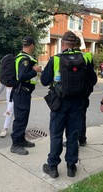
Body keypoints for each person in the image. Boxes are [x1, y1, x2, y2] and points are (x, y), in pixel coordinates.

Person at [41, 31, 97, 178]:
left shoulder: (56, 59)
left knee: (56, 134)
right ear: (76, 44)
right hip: (78, 103)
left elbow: (45, 81)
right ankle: (71, 167)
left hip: (59, 103)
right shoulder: (85, 58)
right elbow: (94, 80)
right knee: (72, 135)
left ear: (63, 44)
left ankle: (53, 167)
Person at [10, 36, 42, 155]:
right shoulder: (24, 59)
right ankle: (15, 144)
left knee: (23, 118)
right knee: (20, 119)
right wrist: (35, 70)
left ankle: (21, 140)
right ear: (32, 45)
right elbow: (22, 76)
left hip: (24, 92)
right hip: (21, 92)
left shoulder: (22, 57)